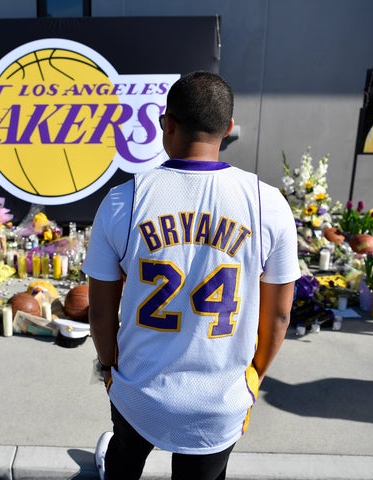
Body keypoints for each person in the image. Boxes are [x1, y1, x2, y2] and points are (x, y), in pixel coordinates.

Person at [83, 71, 300, 480]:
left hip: (139, 387)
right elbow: (279, 317)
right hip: (219, 398)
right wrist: (254, 378)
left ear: (168, 123)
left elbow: (99, 313)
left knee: (125, 458)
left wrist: (109, 369)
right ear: (229, 128)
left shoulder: (123, 200)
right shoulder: (268, 204)